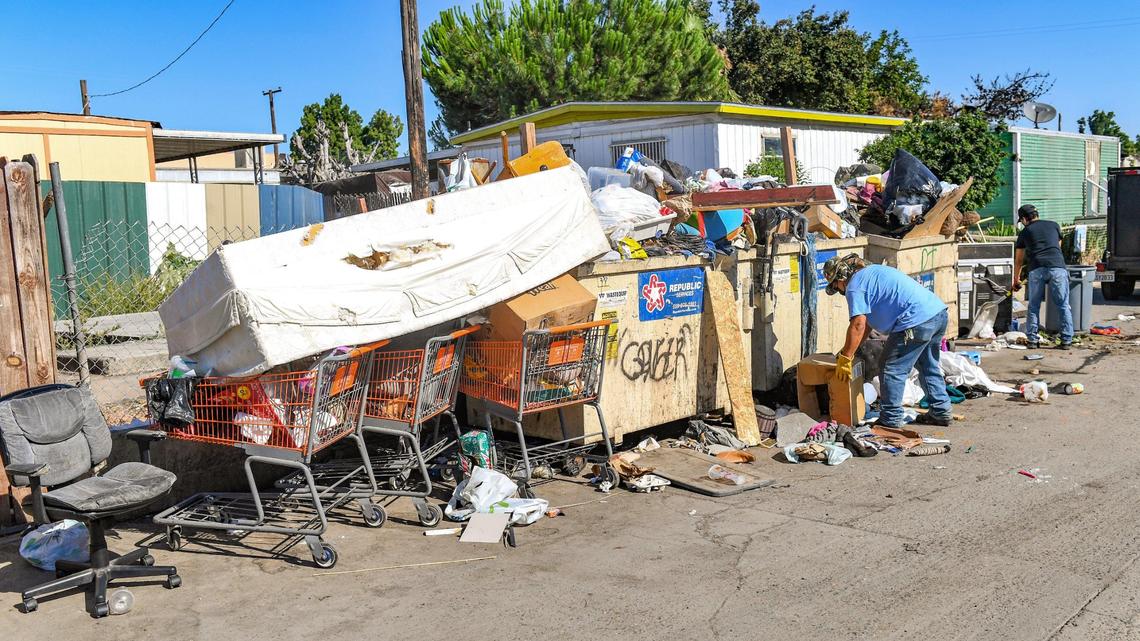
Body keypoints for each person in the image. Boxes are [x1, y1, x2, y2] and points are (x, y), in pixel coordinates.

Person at [823, 254, 952, 428]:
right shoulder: (872, 273)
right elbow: (867, 324)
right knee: (927, 364)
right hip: (937, 314)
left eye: (835, 286)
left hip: (914, 321)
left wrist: (846, 358)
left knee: (891, 368)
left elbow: (858, 324)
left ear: (841, 277)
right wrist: (849, 352)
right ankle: (941, 411)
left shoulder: (854, 286)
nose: (838, 290)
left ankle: (891, 419)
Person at [1012, 204, 1072, 349]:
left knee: (1033, 306)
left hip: (1037, 268)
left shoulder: (1025, 232)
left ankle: (1032, 340)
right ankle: (1066, 340)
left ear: (1025, 219)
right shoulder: (1054, 225)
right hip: (1057, 267)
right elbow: (1057, 246)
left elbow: (1019, 259)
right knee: (1063, 305)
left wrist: (1016, 279)